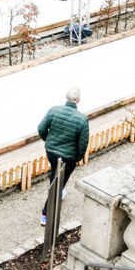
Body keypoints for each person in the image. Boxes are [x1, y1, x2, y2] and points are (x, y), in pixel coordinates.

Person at [37, 87, 90, 226]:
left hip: (51, 152)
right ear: (78, 100)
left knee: (55, 172)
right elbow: (83, 143)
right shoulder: (82, 119)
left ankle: (58, 192)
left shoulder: (54, 110)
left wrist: (48, 141)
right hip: (67, 156)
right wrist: (76, 158)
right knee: (58, 182)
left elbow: (41, 128)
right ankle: (45, 214)